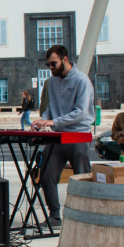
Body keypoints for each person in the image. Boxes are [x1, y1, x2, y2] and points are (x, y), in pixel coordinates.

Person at [33, 44, 94, 227]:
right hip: (57, 135)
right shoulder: (52, 82)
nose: (50, 68)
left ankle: (84, 216)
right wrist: (43, 120)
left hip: (78, 135)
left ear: (65, 59)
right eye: (48, 65)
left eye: (53, 64)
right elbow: (51, 108)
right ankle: (54, 216)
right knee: (46, 176)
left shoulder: (82, 81)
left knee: (81, 178)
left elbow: (81, 112)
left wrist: (53, 122)